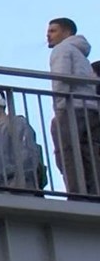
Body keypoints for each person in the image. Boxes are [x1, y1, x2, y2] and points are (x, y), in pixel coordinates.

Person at [46, 17, 100, 197]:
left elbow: (61, 79)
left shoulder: (62, 50)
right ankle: (94, 192)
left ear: (67, 32)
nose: (48, 35)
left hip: (73, 109)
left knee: (69, 152)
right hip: (90, 109)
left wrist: (60, 109)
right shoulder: (81, 54)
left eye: (53, 30)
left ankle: (77, 194)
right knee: (90, 153)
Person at [0, 89, 41, 191]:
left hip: (19, 186)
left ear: (0, 102)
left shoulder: (17, 123)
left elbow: (28, 153)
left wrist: (19, 182)